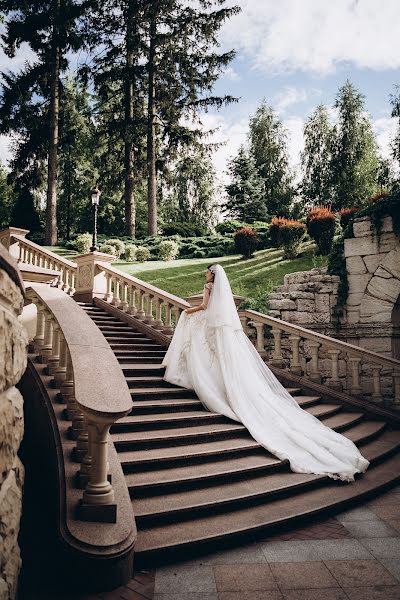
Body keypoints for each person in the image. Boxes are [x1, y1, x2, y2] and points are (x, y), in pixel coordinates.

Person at [162, 263, 369, 482]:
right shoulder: (223, 291)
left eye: (207, 271)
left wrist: (188, 310)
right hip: (223, 329)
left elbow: (204, 306)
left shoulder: (209, 286)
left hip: (210, 327)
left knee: (204, 354)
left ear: (212, 275)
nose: (205, 274)